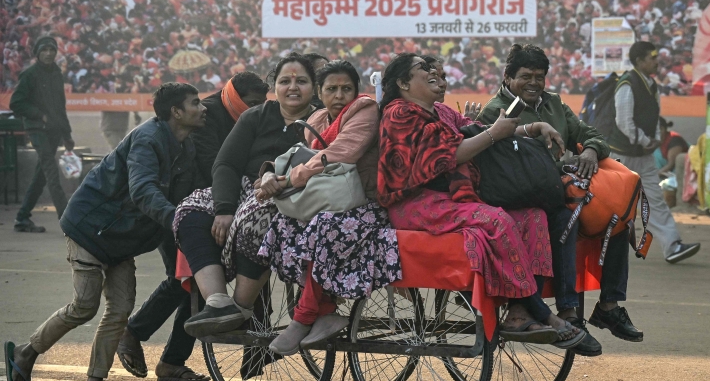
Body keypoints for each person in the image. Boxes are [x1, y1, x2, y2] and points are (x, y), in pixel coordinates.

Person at [4, 83, 205, 381]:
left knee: (120, 309)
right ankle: (25, 354)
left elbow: (189, 190)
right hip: (90, 229)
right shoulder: (147, 139)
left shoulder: (185, 146)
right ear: (176, 112)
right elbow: (143, 191)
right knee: (85, 306)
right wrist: (178, 218)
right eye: (195, 103)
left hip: (121, 238)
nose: (203, 108)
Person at [379, 52, 584, 347]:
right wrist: (492, 134)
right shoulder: (400, 113)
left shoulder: (442, 112)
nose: (438, 77)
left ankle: (519, 313)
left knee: (534, 216)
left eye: (440, 73)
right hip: (416, 203)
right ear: (404, 83)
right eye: (426, 72)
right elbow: (449, 155)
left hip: (451, 198)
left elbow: (483, 131)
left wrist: (532, 128)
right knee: (498, 220)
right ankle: (542, 312)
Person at [477, 44, 643, 352]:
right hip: (522, 195)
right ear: (508, 77)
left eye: (540, 77)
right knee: (567, 216)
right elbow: (500, 166)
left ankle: (609, 306)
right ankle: (569, 312)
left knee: (616, 213)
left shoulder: (553, 103)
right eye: (526, 76)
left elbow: (591, 134)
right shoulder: (495, 111)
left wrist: (591, 151)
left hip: (560, 189)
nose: (534, 83)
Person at [115, 71, 267, 381]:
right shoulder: (206, 116)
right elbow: (215, 166)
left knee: (197, 286)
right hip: (187, 209)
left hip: (221, 206)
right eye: (251, 103)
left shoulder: (253, 117)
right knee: (185, 280)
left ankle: (170, 360)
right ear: (236, 98)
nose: (255, 109)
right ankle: (135, 331)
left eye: (260, 104)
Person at [258, 61, 399, 355]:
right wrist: (272, 174)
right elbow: (306, 154)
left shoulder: (365, 111)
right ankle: (325, 310)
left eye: (346, 89)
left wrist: (291, 178)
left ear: (356, 92)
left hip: (368, 204)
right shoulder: (319, 119)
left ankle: (305, 314)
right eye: (331, 89)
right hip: (333, 201)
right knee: (285, 224)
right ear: (319, 93)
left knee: (324, 225)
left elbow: (340, 154)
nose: (339, 96)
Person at [178, 54, 317, 338]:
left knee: (254, 219)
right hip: (243, 188)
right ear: (274, 86)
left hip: (290, 195)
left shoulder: (321, 120)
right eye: (285, 81)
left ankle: (242, 307)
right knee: (188, 210)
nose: (293, 87)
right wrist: (224, 208)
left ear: (313, 87)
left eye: (301, 81)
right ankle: (218, 302)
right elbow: (226, 163)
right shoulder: (256, 115)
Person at [610, 42, 700, 264]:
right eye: (652, 57)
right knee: (612, 204)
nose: (657, 61)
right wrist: (644, 141)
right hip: (623, 155)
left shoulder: (651, 85)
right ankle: (588, 245)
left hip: (643, 155)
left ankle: (672, 246)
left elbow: (653, 119)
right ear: (640, 61)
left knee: (654, 201)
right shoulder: (627, 84)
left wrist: (654, 141)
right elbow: (623, 121)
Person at [10, 36, 73, 233]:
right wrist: (40, 115)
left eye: (52, 50)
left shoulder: (56, 73)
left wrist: (67, 135)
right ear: (37, 53)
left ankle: (22, 218)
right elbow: (16, 103)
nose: (48, 53)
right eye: (44, 50)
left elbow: (60, 107)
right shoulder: (29, 75)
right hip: (37, 129)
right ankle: (67, 222)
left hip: (54, 131)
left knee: (41, 176)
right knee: (51, 172)